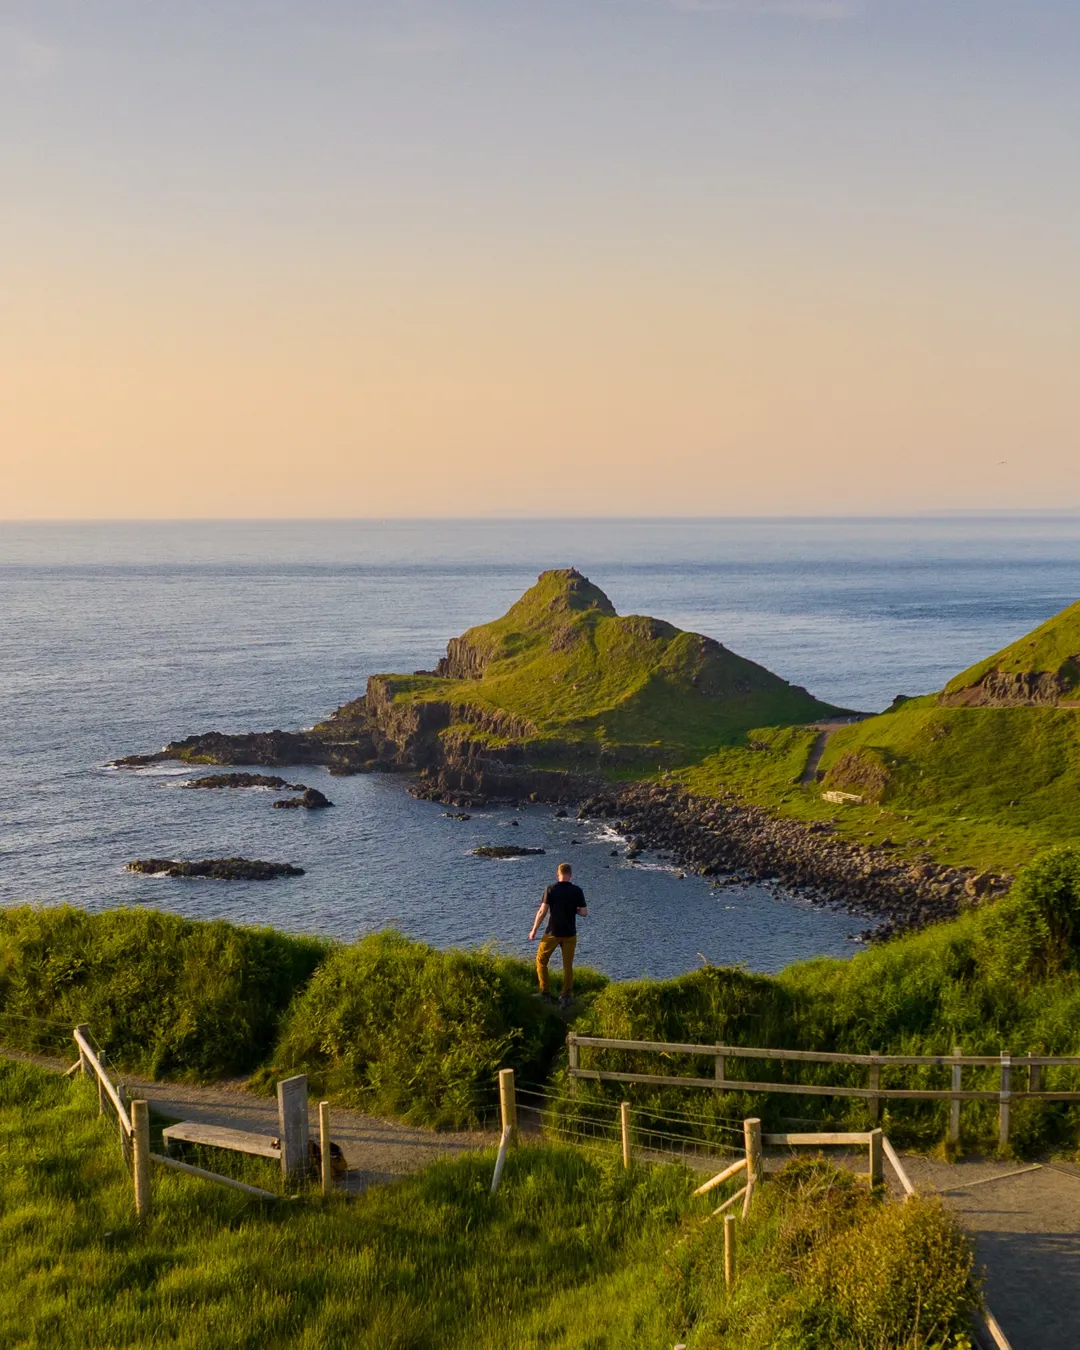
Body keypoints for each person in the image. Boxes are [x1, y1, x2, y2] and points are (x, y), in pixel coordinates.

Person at [529, 862, 587, 1008]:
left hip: (552, 932)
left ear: (558, 873)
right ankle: (566, 996)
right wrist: (575, 910)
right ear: (570, 875)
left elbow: (542, 911)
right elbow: (584, 912)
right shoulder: (577, 891)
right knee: (567, 966)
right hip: (569, 933)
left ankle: (545, 993)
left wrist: (534, 929)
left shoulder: (550, 889)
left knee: (541, 961)